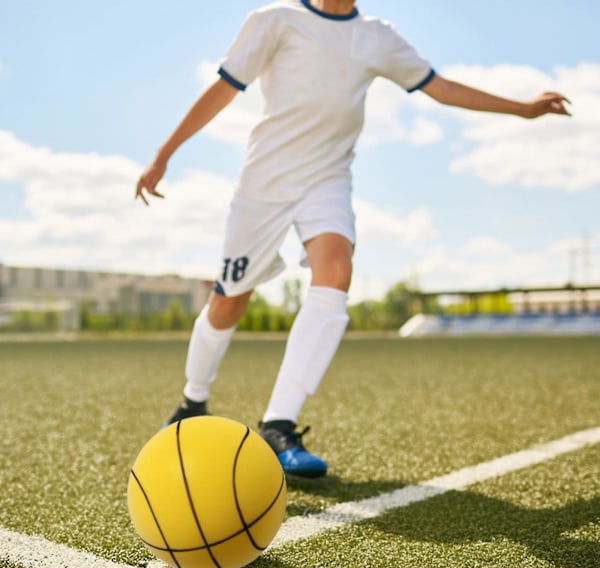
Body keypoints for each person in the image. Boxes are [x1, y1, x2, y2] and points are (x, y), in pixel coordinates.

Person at [135, 0, 570, 478]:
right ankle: (192, 400)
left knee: (336, 269)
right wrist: (163, 154)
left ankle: (278, 424)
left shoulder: (377, 36)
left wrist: (523, 109)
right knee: (228, 303)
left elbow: (440, 87)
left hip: (327, 180)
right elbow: (223, 88)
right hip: (263, 186)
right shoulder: (275, 20)